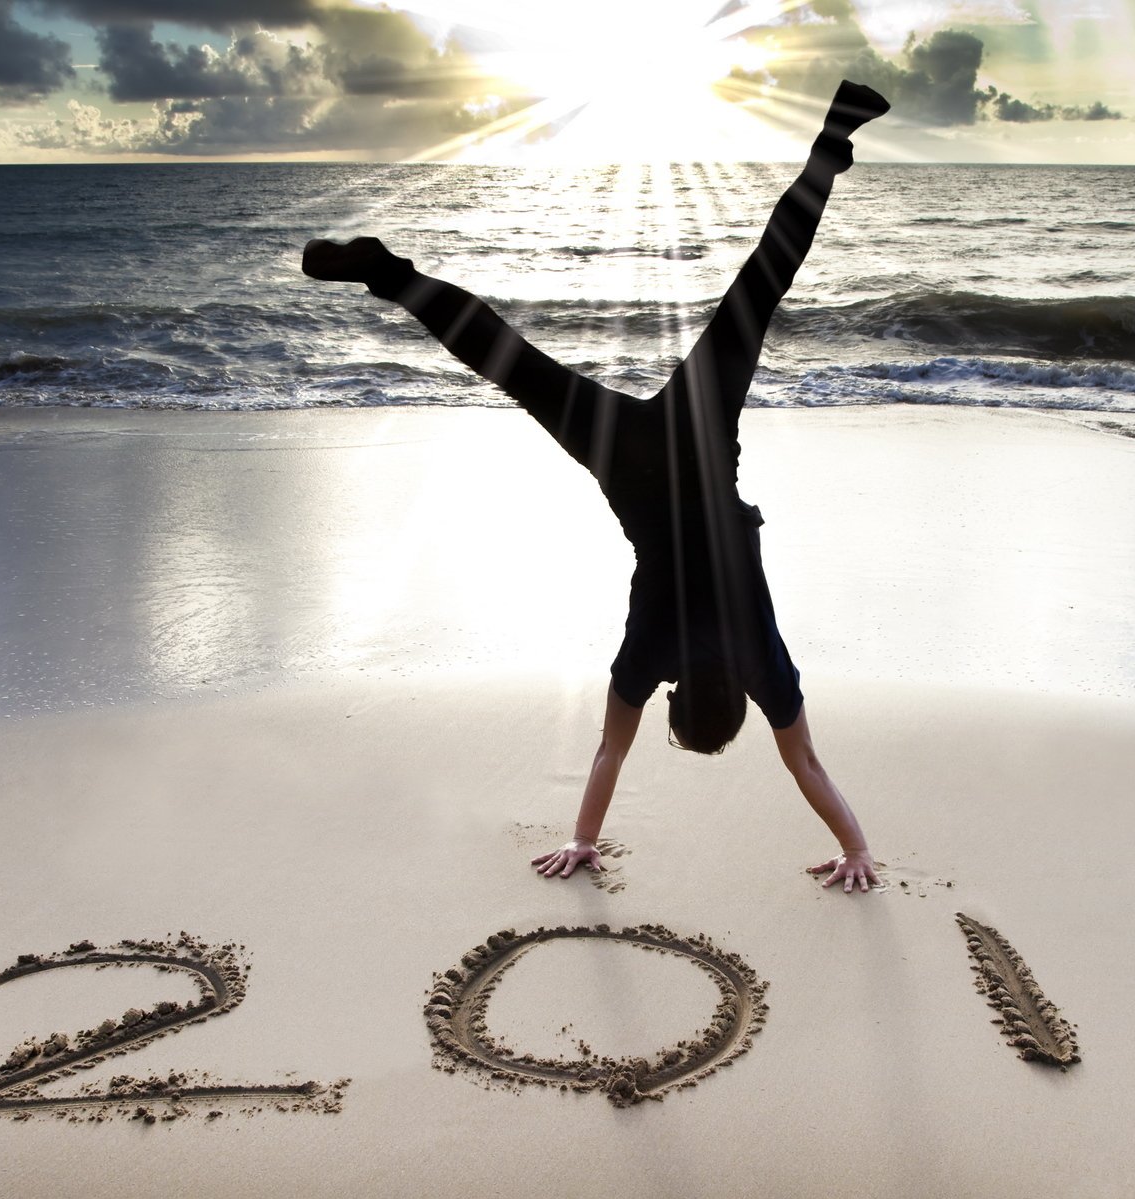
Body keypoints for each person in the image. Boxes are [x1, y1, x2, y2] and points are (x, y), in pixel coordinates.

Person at [303, 81, 888, 894]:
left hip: (697, 442)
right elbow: (611, 749)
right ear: (674, 699)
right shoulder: (651, 658)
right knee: (511, 363)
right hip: (630, 467)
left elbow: (807, 763)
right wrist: (581, 840)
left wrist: (858, 846)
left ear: (738, 699)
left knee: (760, 287)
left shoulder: (765, 668)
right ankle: (389, 275)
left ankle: (833, 141)